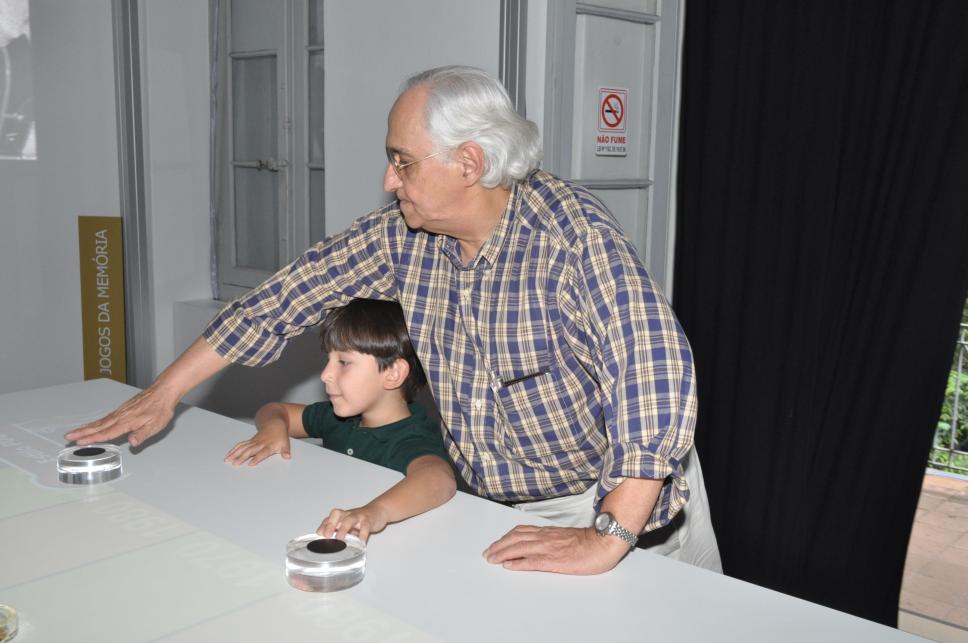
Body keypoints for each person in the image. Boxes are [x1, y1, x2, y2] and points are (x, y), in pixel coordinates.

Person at [67, 65, 721, 575]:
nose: (388, 179)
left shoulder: (570, 235)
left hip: (621, 506)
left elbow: (652, 369)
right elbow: (280, 298)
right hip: (498, 506)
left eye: (403, 161)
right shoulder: (401, 238)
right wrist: (164, 393)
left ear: (469, 163)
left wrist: (606, 533)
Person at [223, 298, 456, 542]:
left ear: (392, 374)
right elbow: (275, 409)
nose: (325, 375)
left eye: (343, 362)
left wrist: (376, 512)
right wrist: (273, 428)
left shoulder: (412, 437)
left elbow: (439, 478)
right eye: (329, 360)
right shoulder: (338, 418)